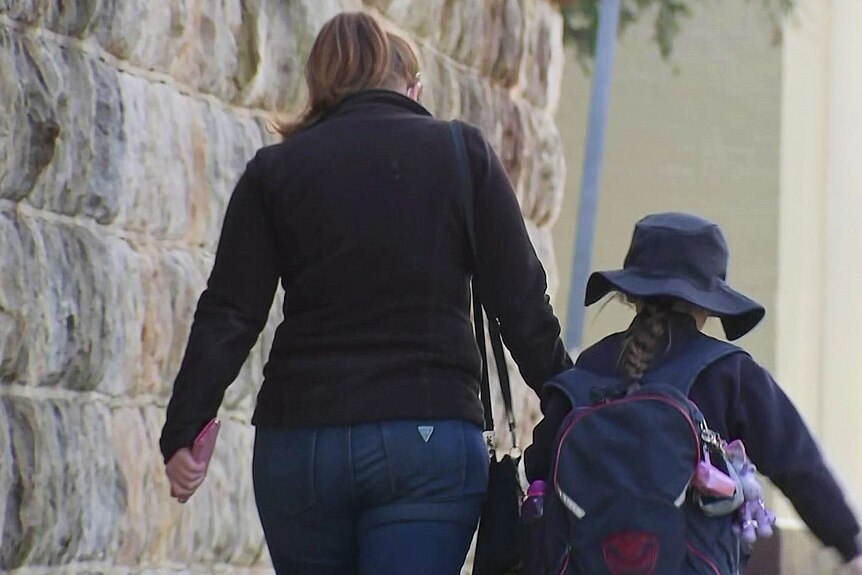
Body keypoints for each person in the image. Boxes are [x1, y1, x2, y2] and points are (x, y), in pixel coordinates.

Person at [159, 11, 571, 575]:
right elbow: (519, 300)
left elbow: (229, 311)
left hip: (300, 441)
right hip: (427, 441)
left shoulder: (275, 171)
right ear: (409, 85)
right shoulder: (460, 154)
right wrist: (567, 401)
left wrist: (185, 427)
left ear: (321, 85)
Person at [525, 212, 862, 573]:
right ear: (707, 305)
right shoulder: (730, 372)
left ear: (631, 297)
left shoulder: (588, 368)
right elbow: (797, 463)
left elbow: (536, 472)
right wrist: (849, 542)